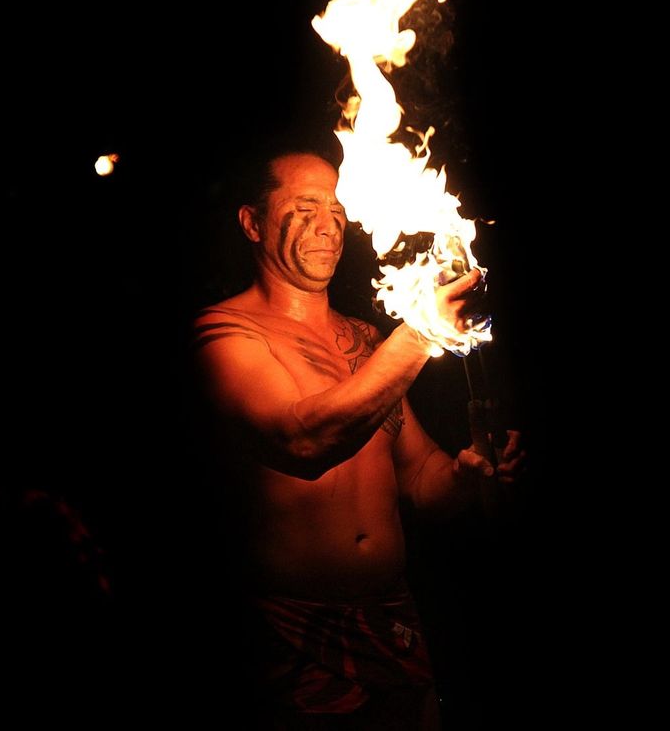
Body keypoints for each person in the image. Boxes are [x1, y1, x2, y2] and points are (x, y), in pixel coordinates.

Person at [192, 151, 522, 728]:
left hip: (393, 621)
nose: (329, 224)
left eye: (338, 209)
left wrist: (467, 473)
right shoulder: (225, 334)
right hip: (292, 630)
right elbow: (304, 441)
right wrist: (424, 327)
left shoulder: (369, 340)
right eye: (305, 208)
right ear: (252, 222)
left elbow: (420, 480)